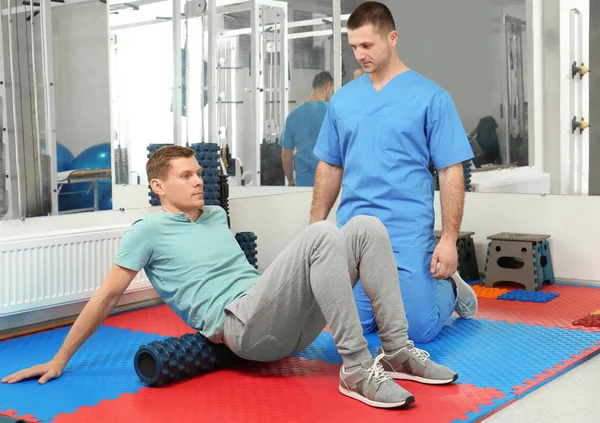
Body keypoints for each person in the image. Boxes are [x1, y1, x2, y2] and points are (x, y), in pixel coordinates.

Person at [2, 146, 457, 409]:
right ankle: (357, 369)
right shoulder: (146, 232)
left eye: (199, 173)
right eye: (186, 176)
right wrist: (60, 359)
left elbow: (257, 279)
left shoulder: (215, 214)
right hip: (241, 328)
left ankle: (396, 352)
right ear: (158, 186)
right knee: (322, 232)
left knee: (366, 227)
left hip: (278, 319)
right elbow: (104, 299)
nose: (199, 181)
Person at [310, 1, 478, 344]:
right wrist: (315, 226)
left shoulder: (432, 97)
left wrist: (447, 240)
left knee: (417, 330)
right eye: (354, 46)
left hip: (405, 232)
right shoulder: (342, 100)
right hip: (354, 232)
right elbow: (330, 163)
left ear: (392, 38)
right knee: (353, 325)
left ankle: (448, 287)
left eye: (367, 45)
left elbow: (449, 171)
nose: (359, 54)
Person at [280, 71, 333, 187]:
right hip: (329, 182)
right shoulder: (334, 114)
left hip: (303, 183)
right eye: (331, 92)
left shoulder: (293, 116)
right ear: (327, 86)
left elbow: (286, 154)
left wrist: (290, 179)